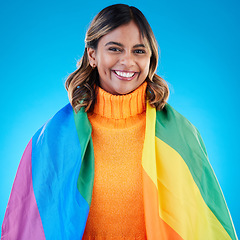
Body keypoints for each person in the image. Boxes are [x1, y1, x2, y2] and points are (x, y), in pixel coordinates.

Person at [1, 4, 237, 240]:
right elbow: (28, 226)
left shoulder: (181, 135)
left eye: (139, 51)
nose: (127, 61)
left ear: (150, 58)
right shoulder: (53, 139)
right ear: (93, 55)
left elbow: (205, 224)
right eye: (115, 49)